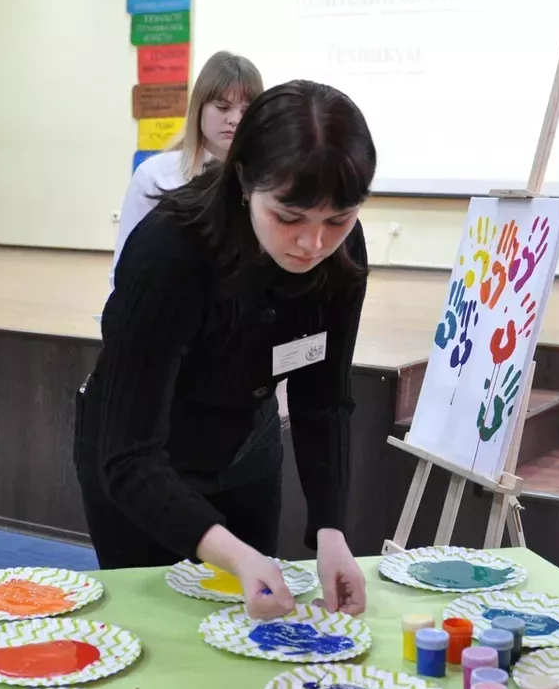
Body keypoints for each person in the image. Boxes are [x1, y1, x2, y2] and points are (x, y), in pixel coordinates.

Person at [76, 79, 376, 621]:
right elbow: (128, 455)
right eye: (288, 217)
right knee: (159, 634)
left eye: (338, 219)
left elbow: (324, 398)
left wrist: (331, 531)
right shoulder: (170, 250)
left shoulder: (341, 253)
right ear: (244, 179)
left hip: (245, 450)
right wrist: (236, 557)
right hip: (145, 464)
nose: (314, 244)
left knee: (252, 625)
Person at [109, 51, 264, 290]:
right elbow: (125, 265)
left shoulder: (266, 179)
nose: (235, 119)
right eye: (223, 107)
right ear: (199, 107)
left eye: (246, 111)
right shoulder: (155, 176)